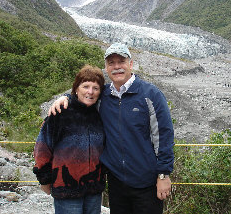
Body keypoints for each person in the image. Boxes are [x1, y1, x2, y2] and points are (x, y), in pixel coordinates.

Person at [48, 43, 175, 214]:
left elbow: (164, 136)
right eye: (111, 63)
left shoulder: (151, 94)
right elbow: (84, 96)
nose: (116, 67)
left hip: (146, 183)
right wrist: (65, 98)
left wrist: (163, 175)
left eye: (121, 61)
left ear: (130, 64)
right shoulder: (103, 95)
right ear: (106, 67)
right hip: (116, 184)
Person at [33, 65, 106, 214]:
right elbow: (42, 148)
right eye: (85, 86)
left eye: (96, 88)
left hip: (94, 189)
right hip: (66, 189)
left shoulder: (100, 114)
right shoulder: (60, 112)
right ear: (76, 88)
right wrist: (44, 179)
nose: (90, 92)